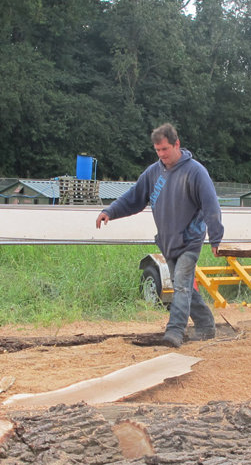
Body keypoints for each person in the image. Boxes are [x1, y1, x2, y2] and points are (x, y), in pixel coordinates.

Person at [95, 123, 224, 348]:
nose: (162, 155)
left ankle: (174, 333)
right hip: (168, 241)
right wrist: (110, 211)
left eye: (165, 149)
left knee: (182, 285)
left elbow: (211, 204)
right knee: (181, 286)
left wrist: (215, 237)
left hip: (190, 240)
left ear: (177, 144)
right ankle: (205, 326)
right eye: (158, 151)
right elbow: (133, 197)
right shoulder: (154, 172)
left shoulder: (195, 171)